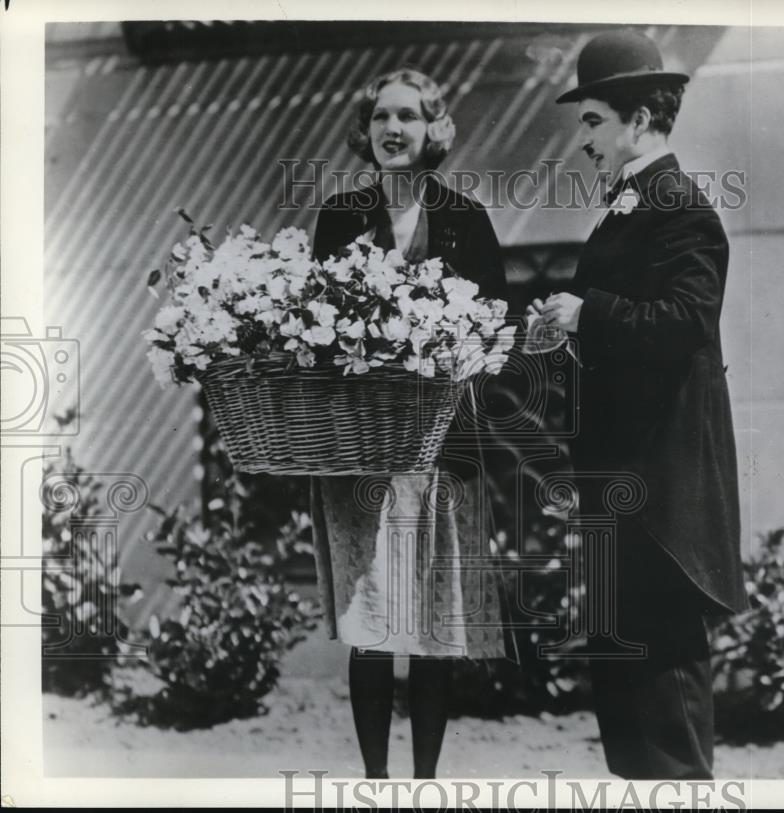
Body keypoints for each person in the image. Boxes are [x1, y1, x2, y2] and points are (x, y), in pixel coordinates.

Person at [534, 29, 748, 779]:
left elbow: (688, 321)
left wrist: (586, 313)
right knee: (627, 695)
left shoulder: (680, 209)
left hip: (663, 498)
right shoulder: (629, 208)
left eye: (592, 120)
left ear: (642, 117)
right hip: (624, 485)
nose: (583, 140)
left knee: (664, 692)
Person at [309, 67, 515, 780]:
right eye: (380, 119)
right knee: (370, 628)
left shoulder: (465, 218)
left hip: (442, 452)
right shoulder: (340, 216)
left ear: (433, 131)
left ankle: (424, 783)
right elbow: (316, 332)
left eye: (408, 117)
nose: (392, 130)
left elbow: (496, 331)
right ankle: (375, 782)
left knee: (432, 628)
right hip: (361, 453)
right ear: (365, 133)